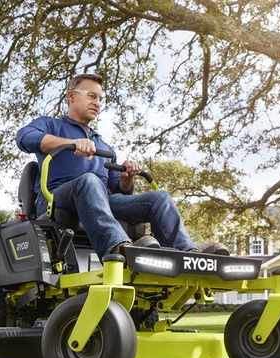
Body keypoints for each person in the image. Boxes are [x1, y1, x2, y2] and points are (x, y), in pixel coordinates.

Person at [16, 73, 228, 260]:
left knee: (159, 198)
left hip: (101, 198)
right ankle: (117, 247)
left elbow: (118, 190)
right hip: (56, 198)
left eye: (99, 98)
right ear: (71, 96)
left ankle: (187, 253)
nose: (97, 103)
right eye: (91, 96)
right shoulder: (51, 125)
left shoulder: (104, 146)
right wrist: (68, 143)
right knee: (89, 181)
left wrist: (127, 177)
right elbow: (25, 138)